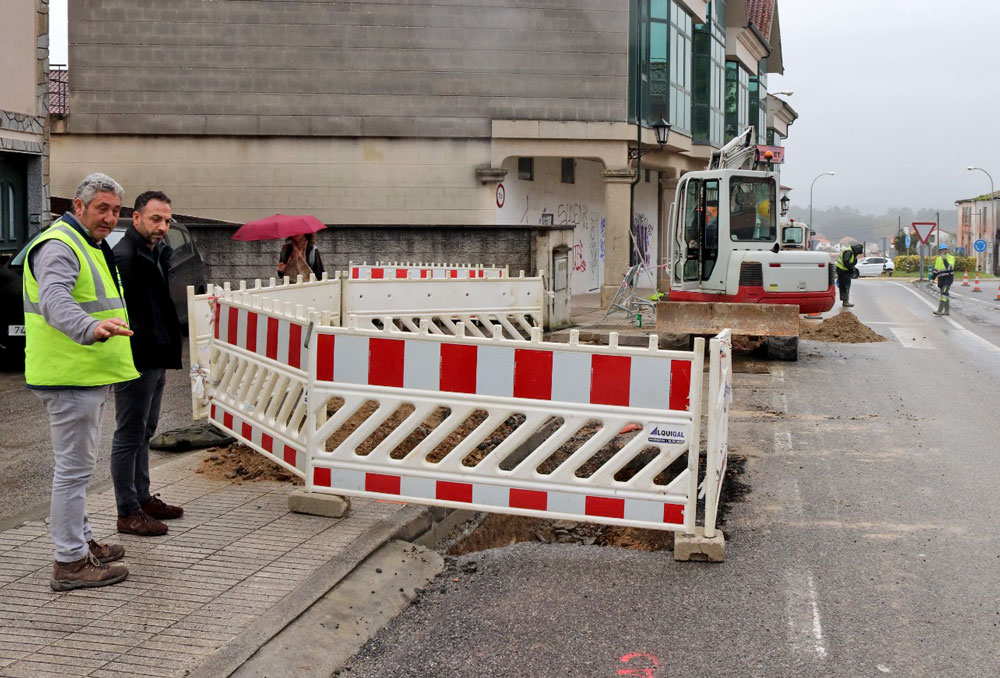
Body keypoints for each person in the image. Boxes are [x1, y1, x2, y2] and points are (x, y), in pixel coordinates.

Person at [23, 173, 138, 591]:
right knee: (72, 471)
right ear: (78, 206)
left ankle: (81, 540)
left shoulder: (86, 243)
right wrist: (90, 327)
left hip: (83, 374)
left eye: (114, 210)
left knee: (78, 469)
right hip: (70, 375)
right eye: (101, 208)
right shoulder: (60, 245)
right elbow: (55, 300)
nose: (109, 217)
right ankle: (69, 561)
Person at [110, 191, 185, 537]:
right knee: (129, 433)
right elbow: (122, 312)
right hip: (135, 357)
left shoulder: (154, 253)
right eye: (156, 219)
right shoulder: (125, 257)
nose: (162, 227)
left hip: (155, 354)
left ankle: (142, 498)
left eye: (167, 220)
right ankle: (127, 512)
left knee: (146, 430)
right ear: (136, 218)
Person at [930, 243, 956, 316]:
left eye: (945, 249)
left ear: (947, 250)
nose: (943, 251)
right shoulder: (938, 259)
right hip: (941, 279)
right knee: (945, 294)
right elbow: (935, 270)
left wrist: (944, 259)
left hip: (948, 279)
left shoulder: (951, 258)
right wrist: (932, 278)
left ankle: (940, 310)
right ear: (940, 251)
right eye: (942, 250)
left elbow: (949, 268)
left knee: (944, 294)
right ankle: (947, 311)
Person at [835, 243, 864, 307]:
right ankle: (845, 301)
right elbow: (846, 262)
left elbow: (851, 261)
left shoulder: (851, 251)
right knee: (846, 286)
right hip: (843, 271)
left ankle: (844, 300)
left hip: (843, 270)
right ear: (857, 250)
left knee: (843, 286)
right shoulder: (849, 252)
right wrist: (851, 269)